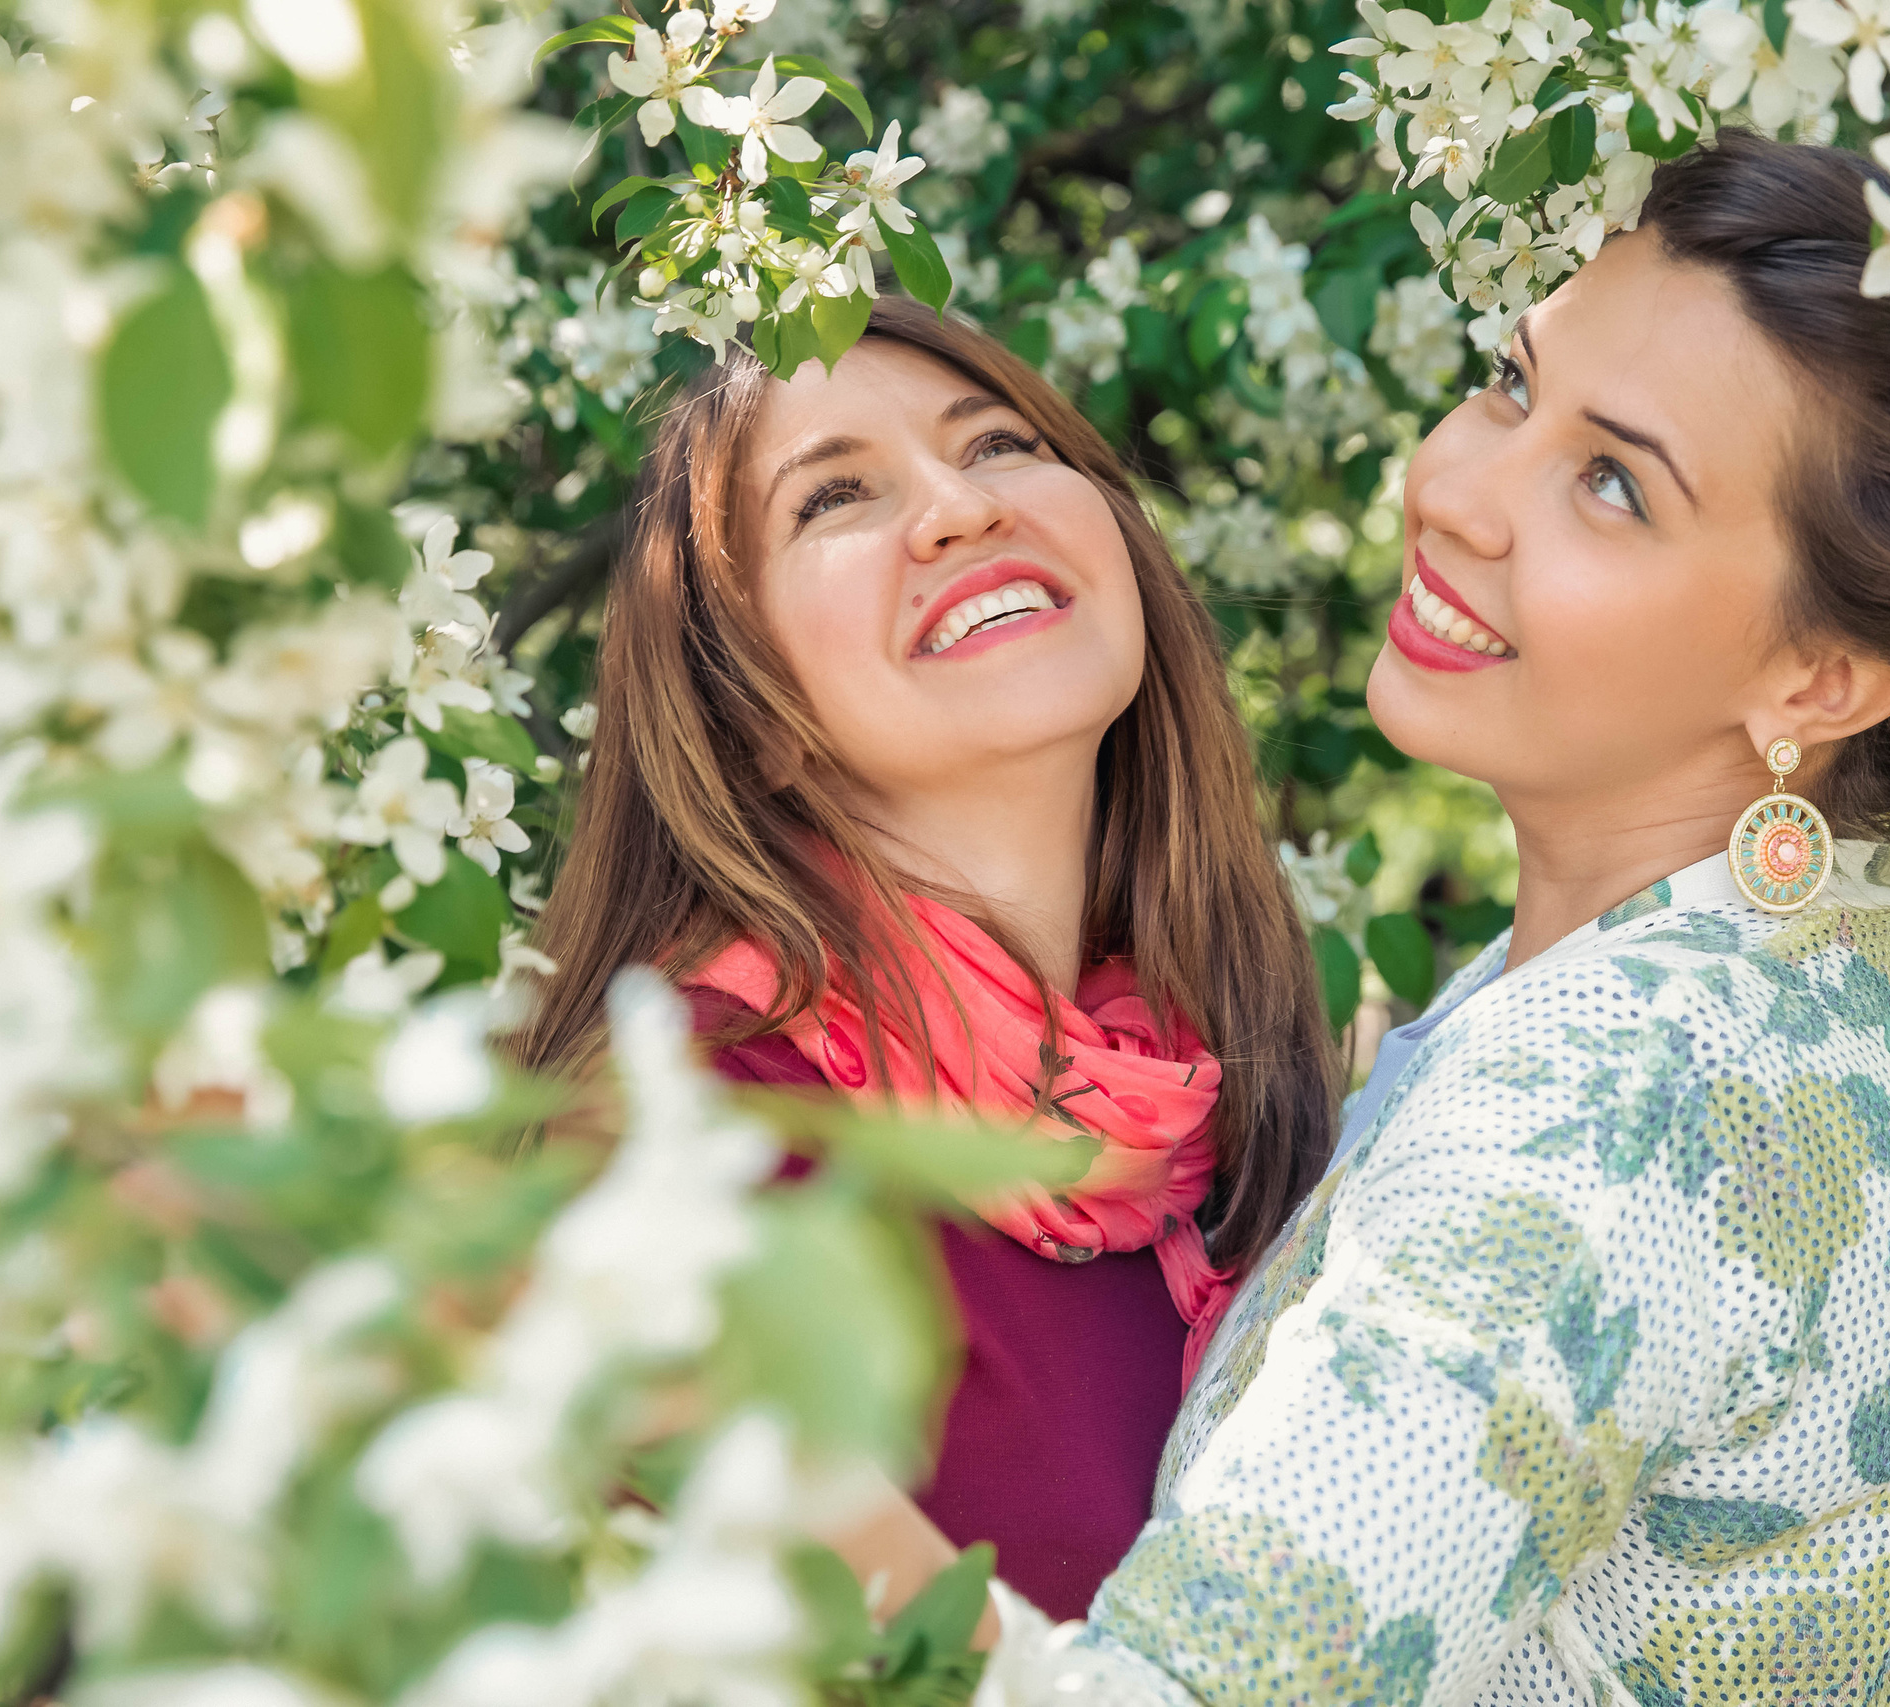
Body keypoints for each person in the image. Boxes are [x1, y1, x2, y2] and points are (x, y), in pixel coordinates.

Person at [980, 130, 1890, 1703]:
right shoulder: (1810, 967)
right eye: (1513, 385)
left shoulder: (1611, 1107)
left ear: (1820, 681)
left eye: (1610, 485)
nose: (1454, 490)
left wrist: (727, 1441)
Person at [512, 299, 1337, 1623]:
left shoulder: (1225, 1116)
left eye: (1000, 444)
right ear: (745, 712)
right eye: (833, 497)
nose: (959, 509)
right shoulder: (684, 1150)